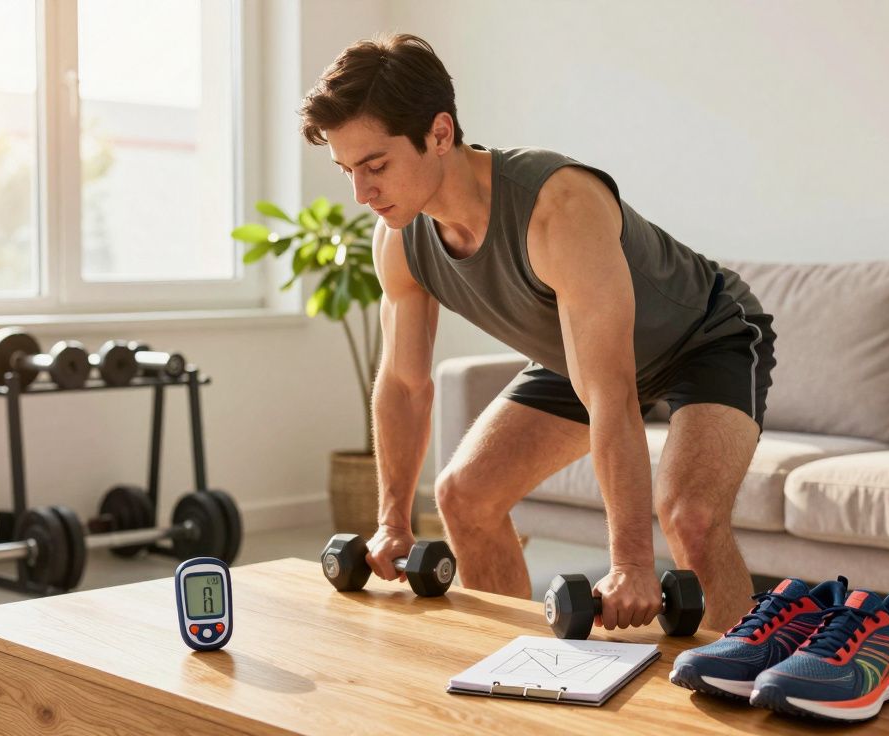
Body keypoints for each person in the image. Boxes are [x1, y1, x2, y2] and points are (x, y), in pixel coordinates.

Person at [299, 33, 776, 632]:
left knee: (691, 517)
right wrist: (393, 520)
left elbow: (610, 391)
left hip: (706, 335)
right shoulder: (401, 237)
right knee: (464, 497)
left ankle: (745, 684)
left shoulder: (559, 208)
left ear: (440, 133)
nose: (361, 194)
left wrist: (629, 561)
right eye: (347, 170)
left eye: (376, 166)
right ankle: (525, 672)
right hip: (576, 355)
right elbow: (403, 381)